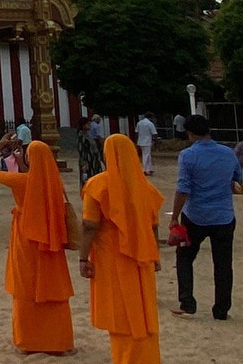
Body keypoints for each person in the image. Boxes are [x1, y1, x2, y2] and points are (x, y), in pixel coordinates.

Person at [0, 132, 74, 355]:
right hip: (50, 242)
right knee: (51, 287)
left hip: (27, 238)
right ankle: (57, 341)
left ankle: (30, 340)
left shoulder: (22, 181)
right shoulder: (54, 182)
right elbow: (39, 180)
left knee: (26, 287)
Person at [79, 134, 164, 364]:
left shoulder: (98, 185)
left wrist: (83, 258)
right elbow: (153, 226)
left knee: (122, 317)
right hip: (142, 259)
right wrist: (155, 255)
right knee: (143, 315)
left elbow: (89, 226)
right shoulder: (146, 187)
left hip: (112, 259)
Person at [169, 114, 243, 319]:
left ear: (190, 133)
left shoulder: (188, 155)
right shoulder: (228, 153)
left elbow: (183, 188)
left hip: (196, 215)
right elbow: (237, 179)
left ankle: (188, 302)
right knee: (223, 263)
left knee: (185, 257)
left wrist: (174, 216)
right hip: (224, 215)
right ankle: (221, 309)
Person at [76, 117, 104, 191]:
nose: (90, 125)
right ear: (83, 125)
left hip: (94, 160)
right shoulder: (81, 136)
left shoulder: (87, 135)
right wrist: (84, 163)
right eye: (88, 124)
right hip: (88, 161)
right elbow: (81, 150)